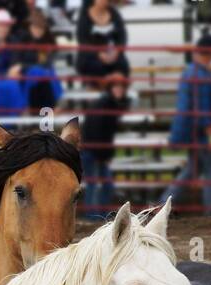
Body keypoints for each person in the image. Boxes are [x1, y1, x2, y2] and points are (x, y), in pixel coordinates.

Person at [159, 35, 211, 215]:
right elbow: (204, 110)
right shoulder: (202, 75)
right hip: (202, 132)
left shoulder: (190, 72)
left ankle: (162, 204)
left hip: (189, 130)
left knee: (190, 171)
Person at [81, 71, 129, 217]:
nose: (119, 89)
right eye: (116, 86)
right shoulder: (105, 105)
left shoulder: (107, 103)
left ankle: (98, 216)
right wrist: (103, 154)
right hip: (94, 151)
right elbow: (98, 132)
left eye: (121, 87)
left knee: (99, 185)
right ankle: (94, 216)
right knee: (96, 185)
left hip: (95, 151)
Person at [76, 0, 128, 84]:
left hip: (112, 54)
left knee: (122, 64)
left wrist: (117, 51)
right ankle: (105, 85)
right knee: (96, 66)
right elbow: (82, 40)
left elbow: (122, 36)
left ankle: (116, 87)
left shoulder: (114, 14)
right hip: (91, 56)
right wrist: (99, 54)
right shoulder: (84, 16)